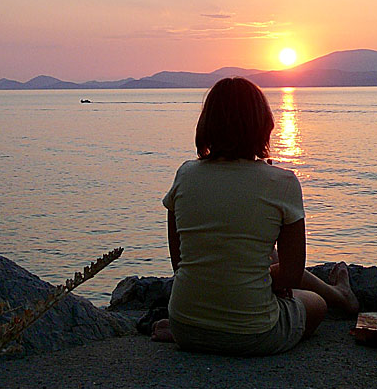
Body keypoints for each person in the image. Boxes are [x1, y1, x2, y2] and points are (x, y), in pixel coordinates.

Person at [154, 77, 359, 355]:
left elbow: (180, 263)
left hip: (185, 327)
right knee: (315, 303)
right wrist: (258, 283)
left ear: (206, 124)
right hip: (253, 334)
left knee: (267, 256)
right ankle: (340, 298)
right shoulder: (282, 182)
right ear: (263, 124)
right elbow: (290, 274)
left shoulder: (185, 175)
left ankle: (205, 329)